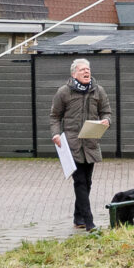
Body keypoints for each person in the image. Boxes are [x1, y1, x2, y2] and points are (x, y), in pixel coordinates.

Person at [48, 57, 111, 232]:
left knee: (88, 182)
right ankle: (89, 222)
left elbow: (106, 112)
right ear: (74, 73)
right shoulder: (64, 92)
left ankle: (78, 217)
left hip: (90, 143)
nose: (86, 72)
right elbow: (54, 116)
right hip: (72, 145)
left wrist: (106, 120)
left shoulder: (98, 91)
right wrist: (55, 134)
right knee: (80, 182)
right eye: (82, 69)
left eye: (88, 69)